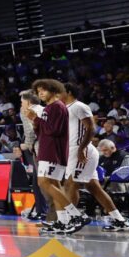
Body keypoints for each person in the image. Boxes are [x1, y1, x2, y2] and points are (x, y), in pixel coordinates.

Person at [62, 83, 129, 231]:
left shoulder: (79, 106)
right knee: (94, 188)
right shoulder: (67, 109)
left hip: (82, 150)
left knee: (71, 184)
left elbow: (91, 128)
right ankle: (120, 220)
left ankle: (71, 219)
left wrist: (81, 149)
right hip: (76, 150)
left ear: (68, 91)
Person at [24, 78, 86, 234]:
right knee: (55, 185)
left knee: (43, 182)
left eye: (43, 90)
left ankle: (76, 215)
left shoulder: (56, 107)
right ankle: (63, 221)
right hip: (50, 149)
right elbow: (43, 132)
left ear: (53, 90)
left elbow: (54, 130)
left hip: (52, 151)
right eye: (38, 92)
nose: (41, 94)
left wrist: (36, 118)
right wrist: (35, 123)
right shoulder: (50, 108)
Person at [19, 89, 48, 221]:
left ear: (28, 102)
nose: (21, 104)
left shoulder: (26, 111)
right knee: (47, 181)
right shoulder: (44, 109)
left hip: (39, 148)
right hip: (51, 147)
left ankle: (44, 212)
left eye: (22, 101)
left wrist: (27, 145)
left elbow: (30, 132)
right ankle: (48, 211)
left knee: (40, 182)